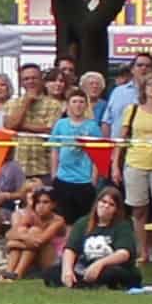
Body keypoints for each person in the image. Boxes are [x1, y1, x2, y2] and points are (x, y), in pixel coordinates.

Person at [115, 72, 152, 267]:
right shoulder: (133, 109)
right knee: (138, 209)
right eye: (150, 84)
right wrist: (115, 164)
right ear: (143, 88)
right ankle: (142, 250)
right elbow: (122, 138)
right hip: (135, 161)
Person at [62, 185, 139, 289]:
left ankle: (86, 283)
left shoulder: (123, 226)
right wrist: (67, 270)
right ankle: (79, 280)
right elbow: (70, 249)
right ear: (97, 203)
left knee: (111, 274)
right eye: (103, 202)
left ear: (116, 209)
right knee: (52, 273)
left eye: (111, 204)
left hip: (113, 266)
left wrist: (99, 264)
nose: (106, 206)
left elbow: (124, 253)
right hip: (85, 265)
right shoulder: (82, 223)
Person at [47, 85, 102, 228]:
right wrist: (54, 174)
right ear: (68, 105)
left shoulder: (93, 126)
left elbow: (98, 155)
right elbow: (54, 150)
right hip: (63, 178)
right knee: (64, 219)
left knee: (84, 220)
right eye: (74, 101)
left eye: (81, 102)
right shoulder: (61, 124)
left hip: (84, 180)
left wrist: (94, 179)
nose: (78, 105)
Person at [0, 186, 68, 282]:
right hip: (34, 254)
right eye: (38, 202)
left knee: (34, 231)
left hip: (51, 259)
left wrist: (13, 244)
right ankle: (9, 273)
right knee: (23, 230)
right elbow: (9, 233)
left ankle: (17, 273)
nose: (41, 206)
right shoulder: (31, 215)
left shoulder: (58, 220)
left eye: (45, 202)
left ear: (53, 204)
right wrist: (23, 236)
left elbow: (40, 241)